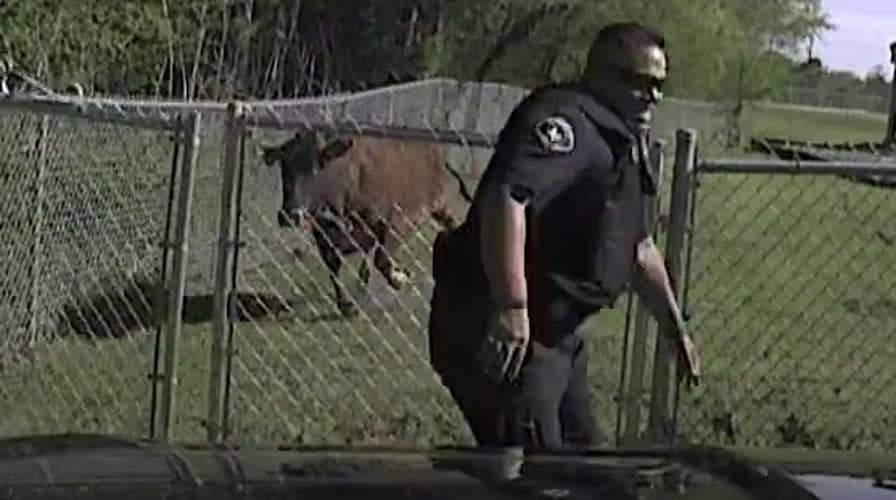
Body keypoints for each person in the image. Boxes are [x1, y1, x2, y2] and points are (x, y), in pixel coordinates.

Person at [427, 22, 702, 452]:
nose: (652, 95)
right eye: (638, 82)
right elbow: (510, 194)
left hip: (557, 337)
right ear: (598, 74)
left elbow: (640, 248)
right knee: (533, 469)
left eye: (659, 84)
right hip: (502, 332)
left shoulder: (624, 139)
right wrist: (511, 305)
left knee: (584, 461)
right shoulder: (567, 122)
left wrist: (676, 330)